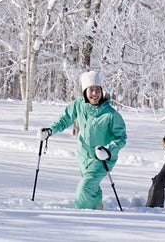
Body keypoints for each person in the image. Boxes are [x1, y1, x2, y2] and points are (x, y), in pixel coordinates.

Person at [42, 69, 127, 210]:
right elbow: (64, 120)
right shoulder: (79, 105)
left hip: (103, 158)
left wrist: (109, 150)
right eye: (91, 90)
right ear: (85, 91)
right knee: (91, 185)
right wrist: (50, 130)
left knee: (85, 186)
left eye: (97, 90)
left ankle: (84, 214)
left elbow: (121, 137)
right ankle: (97, 207)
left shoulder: (111, 114)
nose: (95, 94)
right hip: (84, 155)